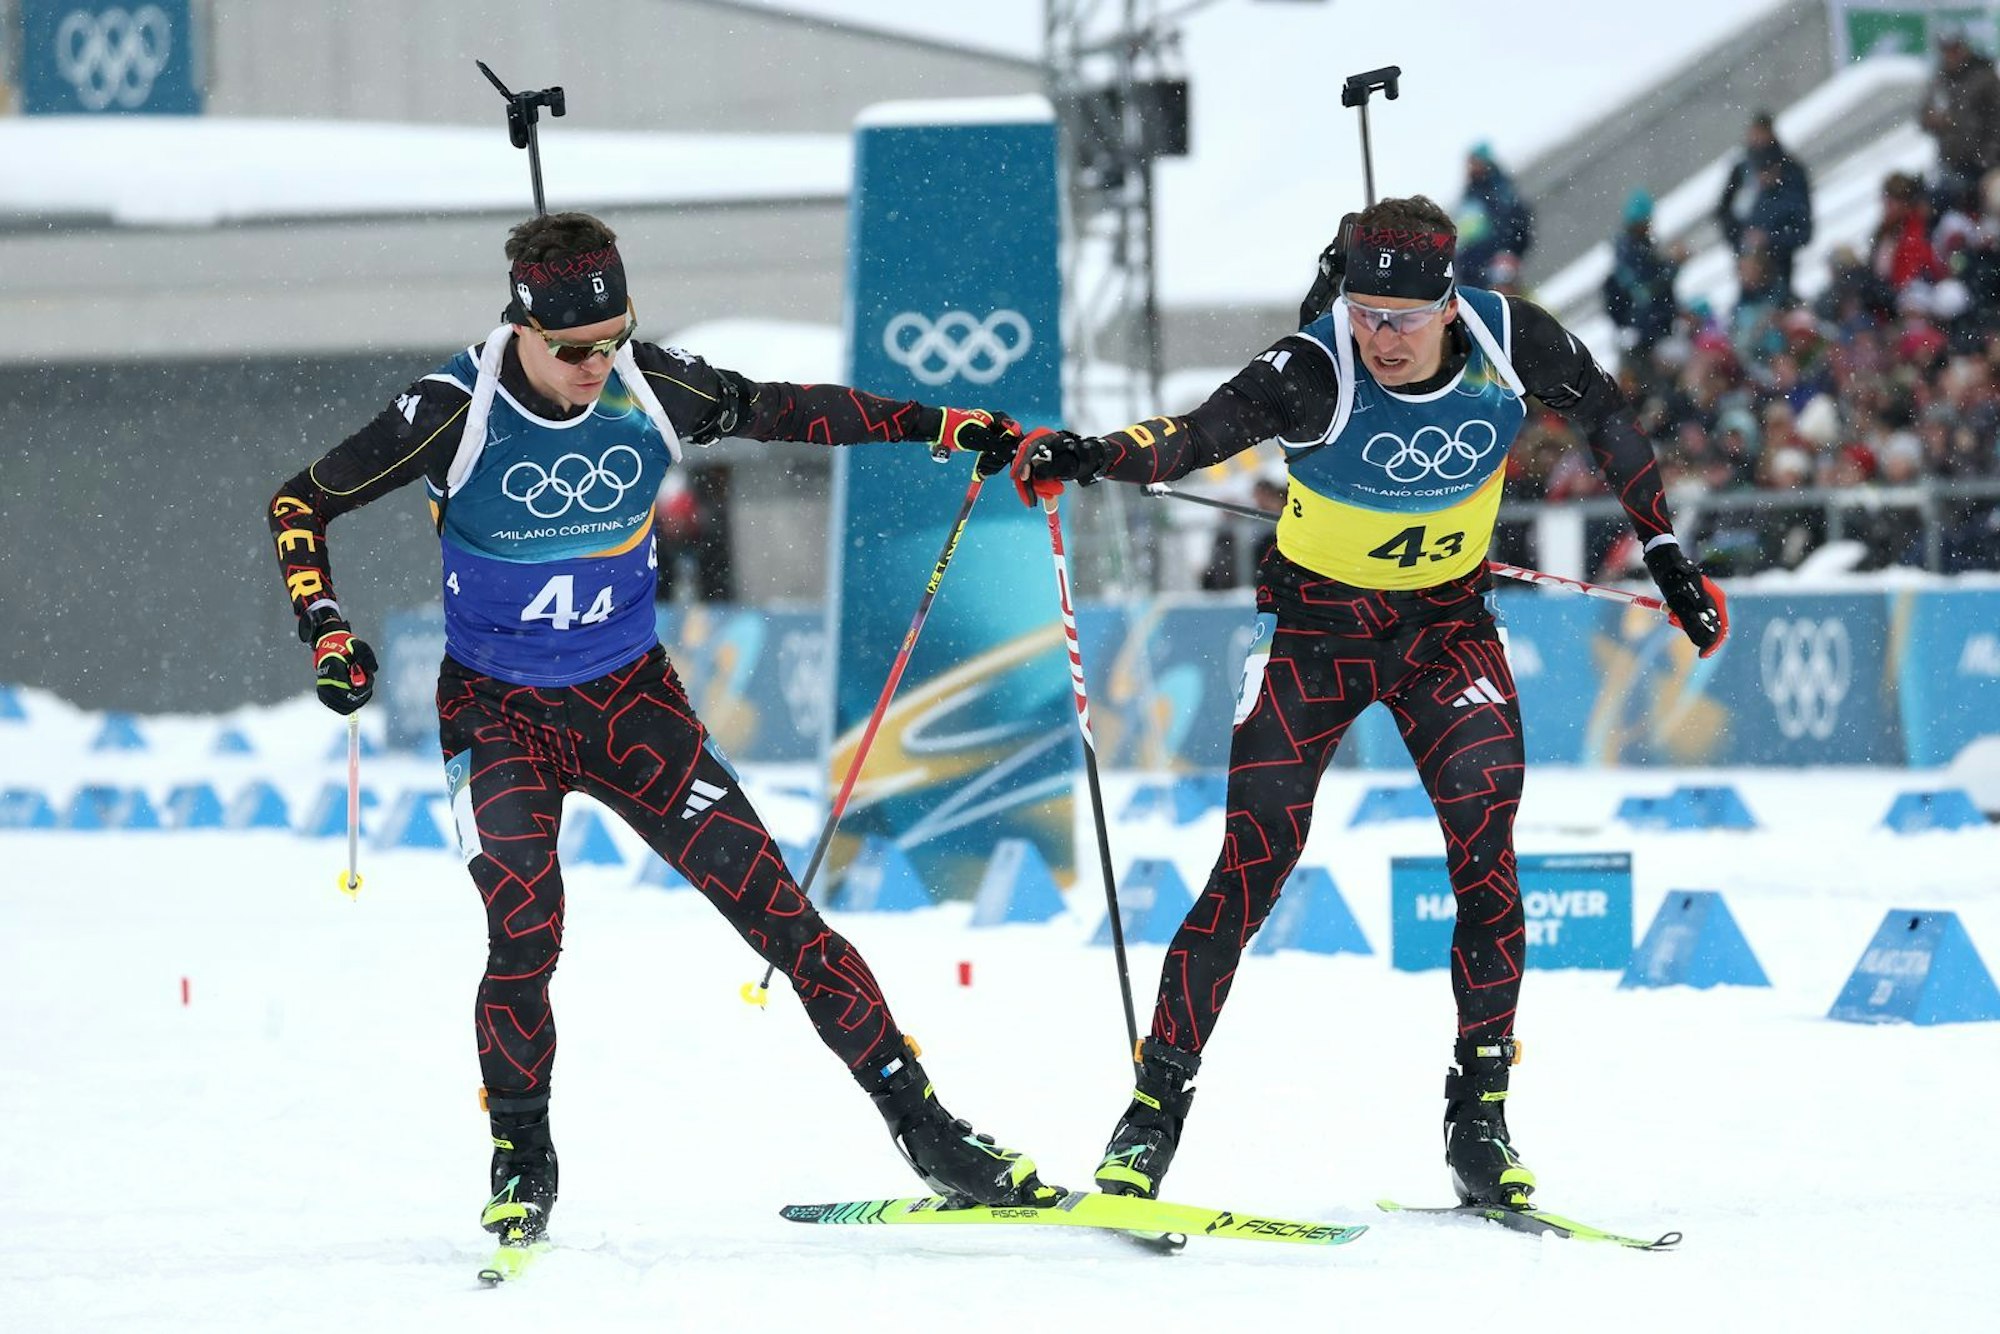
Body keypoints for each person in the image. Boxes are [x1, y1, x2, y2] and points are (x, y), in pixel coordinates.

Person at [265, 211, 1046, 1250]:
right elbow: (298, 502)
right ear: (523, 326)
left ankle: (929, 1131)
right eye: (575, 349)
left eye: (615, 338)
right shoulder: (451, 409)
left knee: (780, 915)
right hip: (498, 716)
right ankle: (521, 1157)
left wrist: (943, 425)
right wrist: (326, 629)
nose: (598, 366)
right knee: (525, 930)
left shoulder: (651, 386)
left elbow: (789, 410)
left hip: (630, 704)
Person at [986, 195, 1727, 1211]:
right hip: (1312, 634)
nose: (1378, 336)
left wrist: (1662, 548)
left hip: (1446, 633)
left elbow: (1603, 412)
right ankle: (1151, 1112)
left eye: (1401, 318)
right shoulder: (1311, 367)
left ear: (1446, 303)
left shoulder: (1511, 337)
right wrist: (1089, 453)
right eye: (1363, 309)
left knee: (1485, 859)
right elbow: (1190, 436)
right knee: (1251, 864)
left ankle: (1478, 1119)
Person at [1715, 110, 1813, 300]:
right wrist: (1741, 239)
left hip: (1778, 270)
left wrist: (1769, 239)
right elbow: (1723, 211)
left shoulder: (1791, 173)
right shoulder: (1742, 170)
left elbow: (1803, 230)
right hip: (1748, 266)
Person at [1601, 189, 1684, 357]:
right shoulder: (1632, 252)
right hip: (1648, 331)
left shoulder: (1634, 248)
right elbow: (1648, 288)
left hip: (1650, 327)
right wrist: (1673, 265)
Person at [1922, 28, 2000, 203]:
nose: (1951, 54)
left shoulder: (1983, 76)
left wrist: (1987, 157)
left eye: (1955, 48)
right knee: (1937, 207)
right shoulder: (1941, 79)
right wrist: (1933, 119)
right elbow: (1924, 114)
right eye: (1946, 49)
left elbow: (1996, 120)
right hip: (1951, 163)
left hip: (1983, 165)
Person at [1454, 143, 1535, 290]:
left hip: (1495, 262)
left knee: (1509, 302)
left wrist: (1506, 252)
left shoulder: (1498, 189)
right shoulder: (1471, 193)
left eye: (1475, 162)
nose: (1471, 167)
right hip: (1473, 267)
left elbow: (1514, 222)